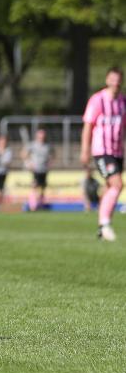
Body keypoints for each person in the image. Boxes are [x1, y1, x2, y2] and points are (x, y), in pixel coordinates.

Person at [80, 66, 125, 242]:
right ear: (107, 80)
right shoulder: (97, 100)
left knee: (109, 189)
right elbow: (88, 125)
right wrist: (85, 150)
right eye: (112, 79)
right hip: (101, 151)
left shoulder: (123, 102)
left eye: (118, 79)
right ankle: (106, 224)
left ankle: (101, 228)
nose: (116, 82)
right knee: (118, 184)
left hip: (118, 151)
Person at [22, 128, 53, 211]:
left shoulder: (47, 146)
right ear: (37, 136)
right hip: (35, 169)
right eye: (40, 135)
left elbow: (52, 155)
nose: (41, 137)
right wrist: (28, 163)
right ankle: (33, 206)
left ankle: (41, 204)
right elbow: (24, 154)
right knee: (34, 186)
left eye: (43, 135)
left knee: (42, 188)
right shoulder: (32, 145)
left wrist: (50, 163)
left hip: (44, 170)